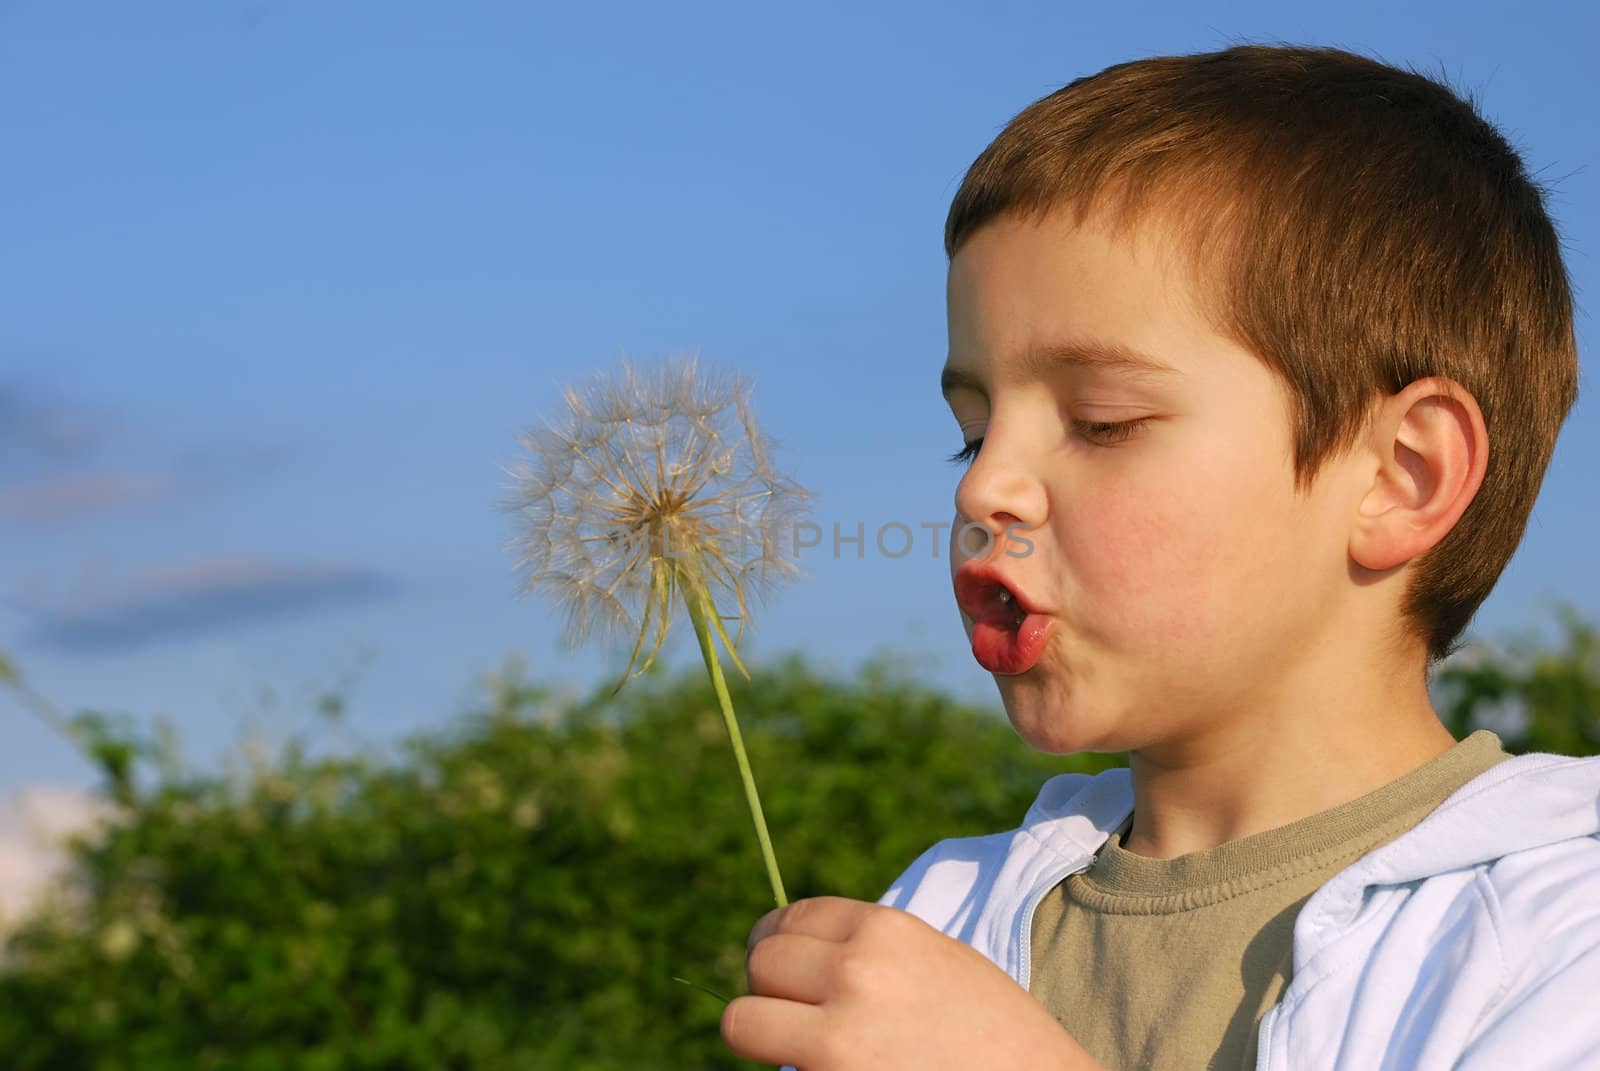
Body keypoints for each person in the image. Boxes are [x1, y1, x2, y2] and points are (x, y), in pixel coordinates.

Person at [718, 43, 1599, 1071]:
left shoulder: (1549, 936)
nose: (983, 487)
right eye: (973, 427)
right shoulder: (936, 920)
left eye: (1101, 421)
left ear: (1398, 475)